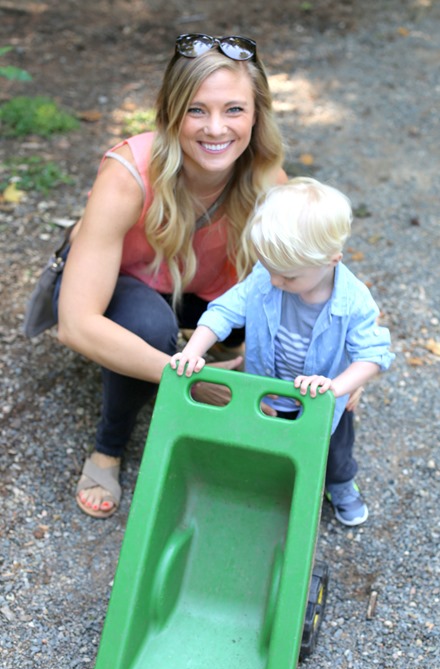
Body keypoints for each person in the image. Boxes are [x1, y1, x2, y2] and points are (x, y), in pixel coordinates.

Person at [54, 33, 287, 518]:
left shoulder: (265, 176)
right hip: (125, 284)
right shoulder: (129, 171)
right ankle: (109, 447)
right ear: (170, 112)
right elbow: (76, 323)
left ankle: (216, 347)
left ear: (257, 114)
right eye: (197, 110)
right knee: (149, 329)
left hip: (200, 288)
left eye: (234, 110)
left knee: (276, 301)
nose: (216, 128)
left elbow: (317, 277)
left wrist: (347, 362)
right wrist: (190, 380)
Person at [171, 178, 395, 526]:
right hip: (268, 389)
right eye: (270, 269)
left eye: (288, 277)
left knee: (334, 453)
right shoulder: (269, 274)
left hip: (323, 401)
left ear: (331, 261)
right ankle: (272, 486)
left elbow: (374, 354)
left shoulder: (352, 303)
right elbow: (225, 309)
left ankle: (340, 486)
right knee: (263, 441)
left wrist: (337, 388)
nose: (275, 282)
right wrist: (195, 350)